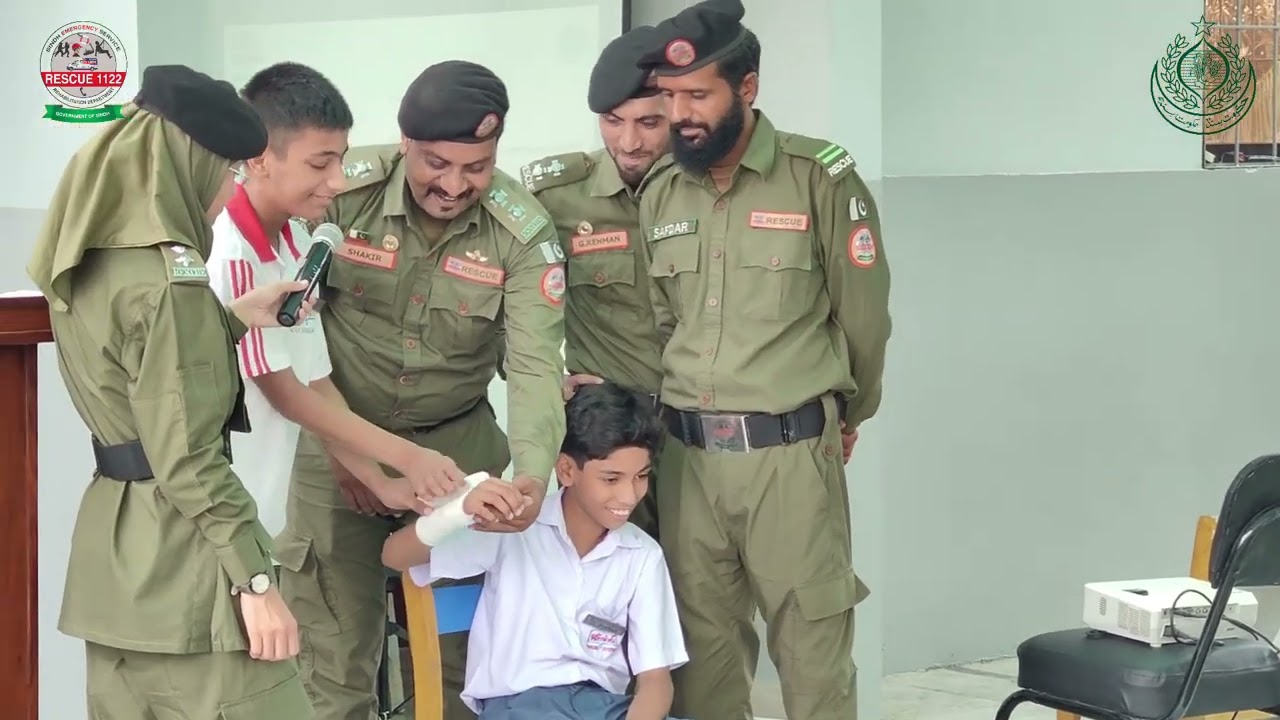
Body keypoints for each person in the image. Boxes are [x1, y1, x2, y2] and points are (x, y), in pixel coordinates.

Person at [276, 59, 567, 720]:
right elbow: (288, 340)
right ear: (404, 142)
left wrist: (532, 479)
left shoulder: (523, 232)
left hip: (458, 462)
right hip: (338, 445)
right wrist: (345, 454)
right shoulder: (342, 193)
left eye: (478, 166)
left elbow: (533, 369)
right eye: (437, 163)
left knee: (462, 665)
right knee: (331, 660)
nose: (455, 185)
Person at [26, 64, 317, 718]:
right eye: (232, 171)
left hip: (117, 569)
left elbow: (136, 380)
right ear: (192, 159)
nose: (227, 190)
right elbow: (187, 455)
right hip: (191, 572)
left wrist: (236, 314)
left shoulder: (86, 252)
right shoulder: (170, 282)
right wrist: (258, 580)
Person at [633, 0, 892, 718]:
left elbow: (864, 319)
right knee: (703, 659)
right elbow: (663, 323)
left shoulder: (820, 178)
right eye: (671, 97)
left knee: (812, 655)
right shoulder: (661, 190)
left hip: (788, 458)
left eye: (698, 96)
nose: (680, 113)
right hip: (687, 463)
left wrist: (847, 412)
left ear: (746, 90)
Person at [207, 61, 464, 544]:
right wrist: (411, 458)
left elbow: (317, 384)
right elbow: (284, 393)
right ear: (260, 157)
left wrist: (380, 482)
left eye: (341, 160)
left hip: (258, 519)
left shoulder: (301, 247)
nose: (339, 181)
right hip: (218, 522)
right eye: (320, 163)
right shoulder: (229, 251)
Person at [383, 382, 689, 720]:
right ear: (566, 470)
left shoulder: (642, 555)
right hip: (519, 705)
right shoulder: (513, 527)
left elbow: (656, 682)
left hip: (604, 707)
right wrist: (457, 513)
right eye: (612, 479)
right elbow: (395, 556)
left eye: (641, 477)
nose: (630, 497)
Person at [521, 25, 672, 540]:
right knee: (598, 588)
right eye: (612, 122)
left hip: (705, 430)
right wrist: (546, 383)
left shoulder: (710, 195)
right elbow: (502, 293)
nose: (628, 143)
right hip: (609, 434)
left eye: (650, 122)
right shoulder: (558, 196)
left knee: (701, 595)